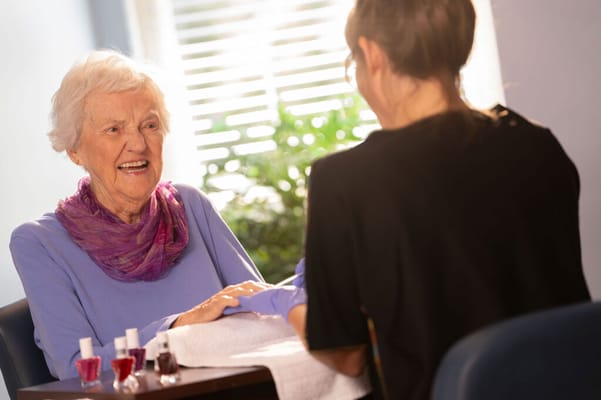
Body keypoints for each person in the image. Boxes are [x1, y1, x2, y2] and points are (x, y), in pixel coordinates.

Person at [227, 0, 592, 399]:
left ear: (373, 54)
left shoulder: (343, 180)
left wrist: (289, 303)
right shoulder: (537, 145)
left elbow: (345, 356)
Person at [9, 50, 270, 380]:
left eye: (149, 125)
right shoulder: (39, 243)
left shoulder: (190, 204)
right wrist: (177, 328)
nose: (137, 143)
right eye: (114, 129)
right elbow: (74, 368)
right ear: (75, 150)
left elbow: (264, 311)